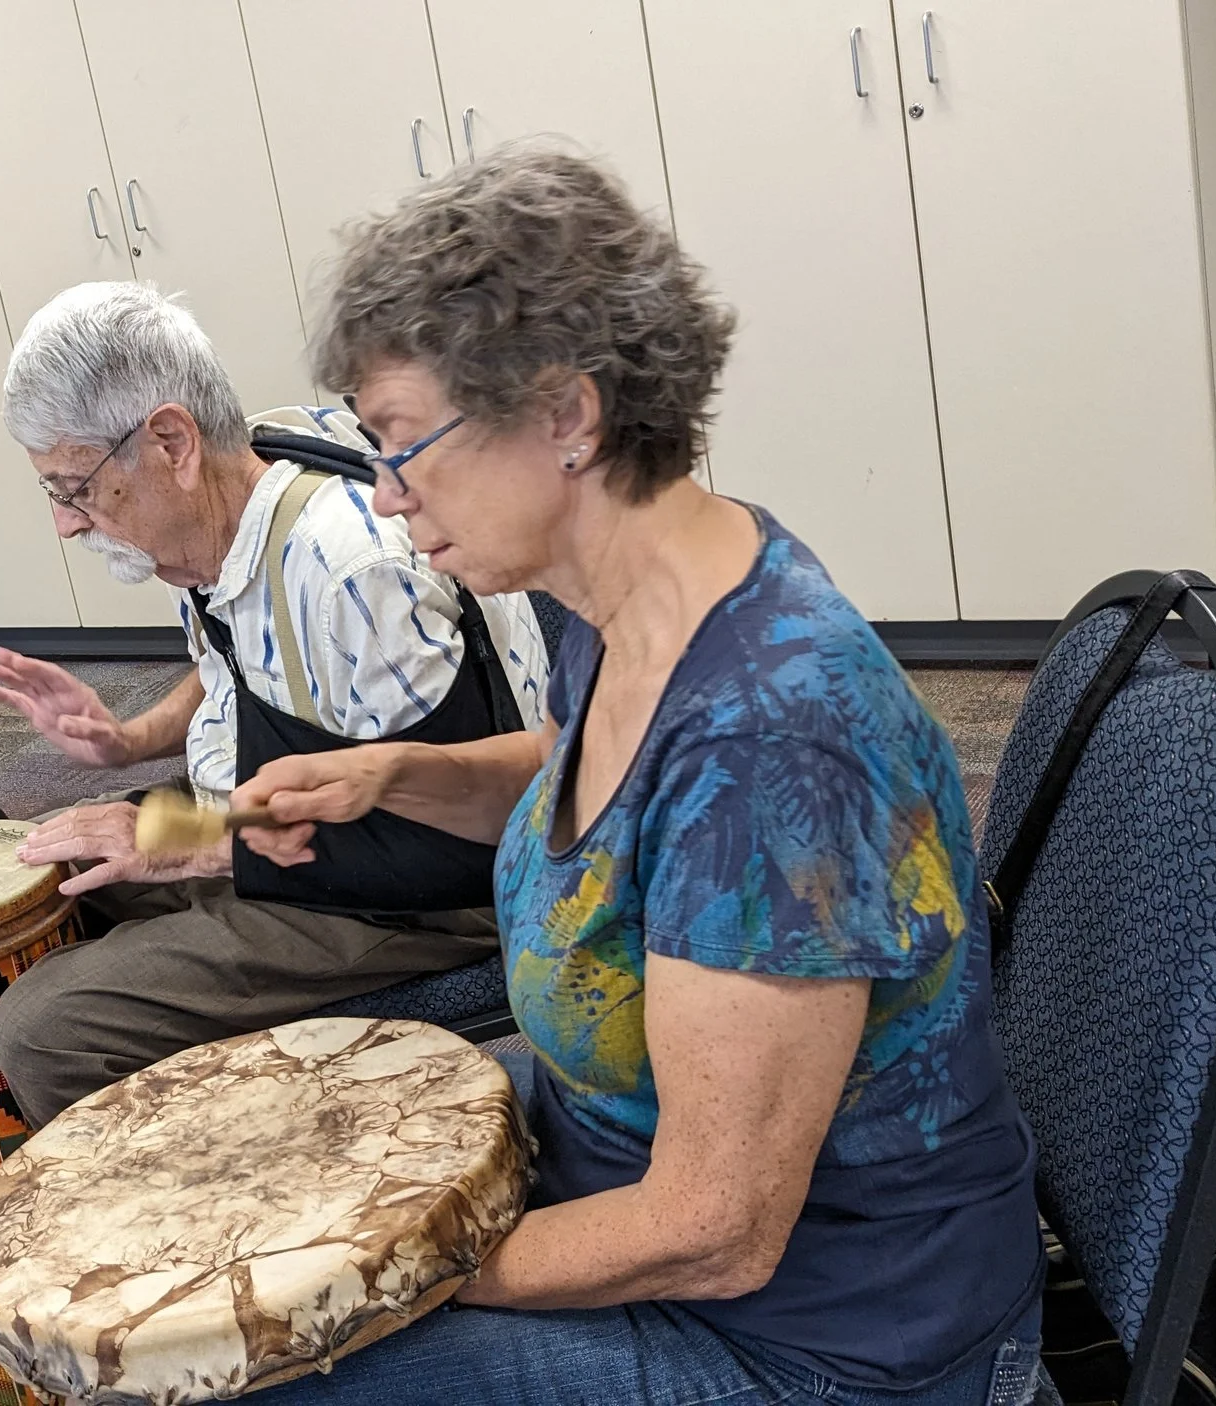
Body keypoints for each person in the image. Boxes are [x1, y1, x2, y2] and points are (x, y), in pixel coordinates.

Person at [235, 149, 1045, 1403]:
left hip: (823, 1339)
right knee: (298, 1163)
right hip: (627, 1172)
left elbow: (717, 1227)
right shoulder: (614, 598)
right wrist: (394, 773)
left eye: (403, 446)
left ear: (565, 413)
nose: (387, 499)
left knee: (276, 1366)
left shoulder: (774, 734)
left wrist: (396, 1276)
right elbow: (596, 791)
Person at [0, 282, 550, 1127]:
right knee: (55, 877)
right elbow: (246, 660)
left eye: (75, 490)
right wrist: (128, 739)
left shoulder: (348, 568)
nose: (69, 524)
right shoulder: (238, 484)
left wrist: (190, 840)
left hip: (430, 892)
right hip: (292, 827)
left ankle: (224, 1221)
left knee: (44, 1029)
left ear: (170, 440)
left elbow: (449, 837)